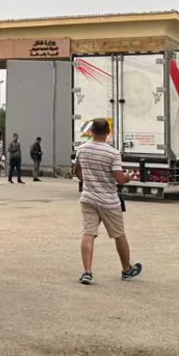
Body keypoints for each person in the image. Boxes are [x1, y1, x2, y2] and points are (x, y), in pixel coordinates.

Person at [74, 118, 142, 285]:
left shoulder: (81, 150)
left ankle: (87, 272)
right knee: (119, 235)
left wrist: (88, 181)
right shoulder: (113, 153)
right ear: (108, 132)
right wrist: (128, 177)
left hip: (88, 198)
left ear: (91, 131)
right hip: (109, 201)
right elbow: (119, 178)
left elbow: (77, 171)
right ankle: (127, 269)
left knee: (88, 233)